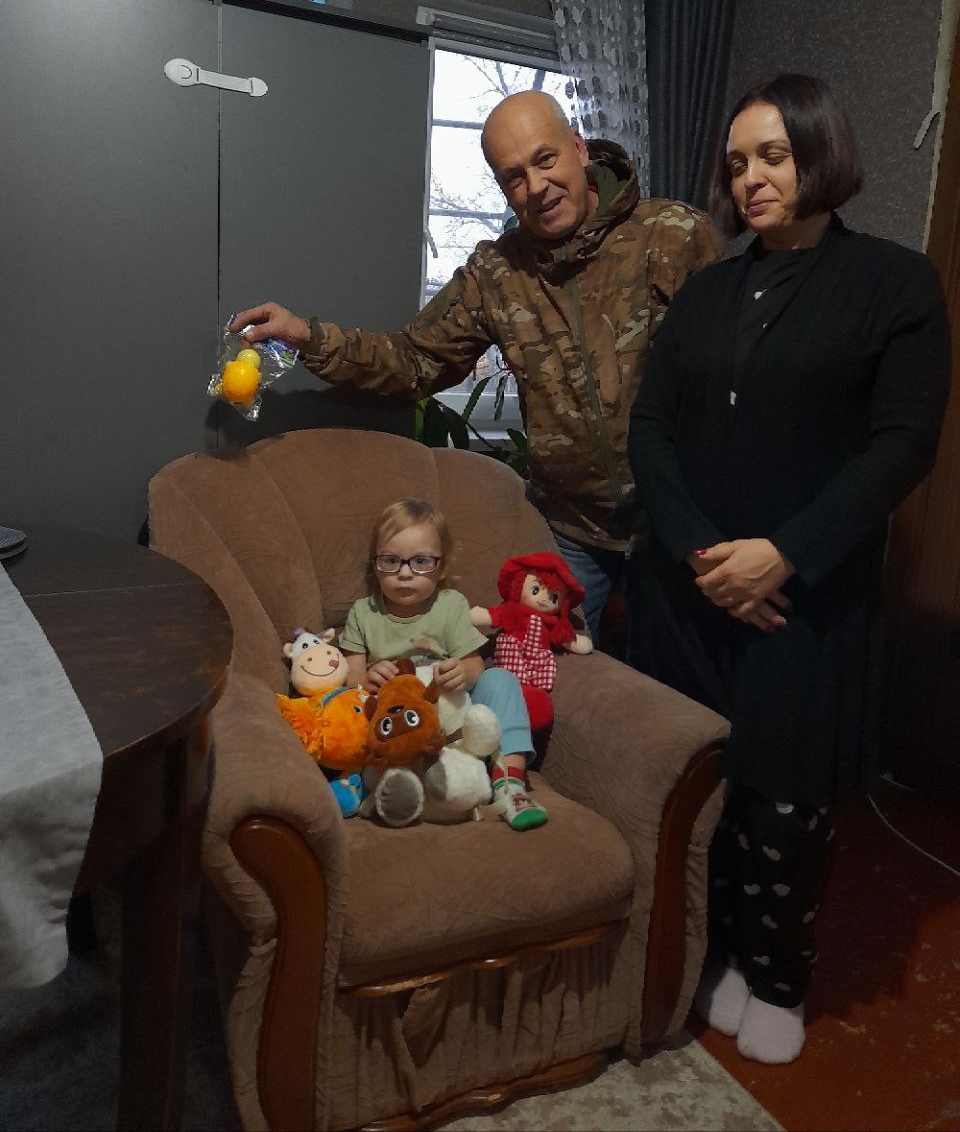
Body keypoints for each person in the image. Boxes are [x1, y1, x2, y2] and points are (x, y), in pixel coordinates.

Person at [627, 74, 951, 1064]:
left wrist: (785, 553)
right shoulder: (708, 291)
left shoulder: (894, 284)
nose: (752, 179)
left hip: (804, 596)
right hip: (690, 590)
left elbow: (903, 445)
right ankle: (712, 951)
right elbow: (651, 429)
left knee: (783, 802)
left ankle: (776, 975)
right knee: (704, 793)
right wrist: (700, 552)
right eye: (737, 164)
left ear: (821, 152)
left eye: (773, 155)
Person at [230, 90, 723, 649]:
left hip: (677, 521)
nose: (537, 187)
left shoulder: (674, 234)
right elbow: (414, 360)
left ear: (580, 149)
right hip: (572, 533)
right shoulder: (496, 272)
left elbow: (737, 377)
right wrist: (307, 336)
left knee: (674, 681)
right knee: (544, 672)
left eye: (545, 159)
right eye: (514, 177)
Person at [340, 497, 547, 830]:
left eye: (421, 562)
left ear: (442, 567)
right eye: (390, 561)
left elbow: (475, 667)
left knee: (499, 679)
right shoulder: (364, 613)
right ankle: (395, 784)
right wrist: (367, 678)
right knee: (353, 708)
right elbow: (351, 677)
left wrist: (462, 672)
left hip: (455, 719)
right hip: (400, 727)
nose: (404, 573)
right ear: (375, 566)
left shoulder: (450, 605)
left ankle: (509, 782)